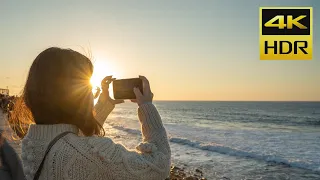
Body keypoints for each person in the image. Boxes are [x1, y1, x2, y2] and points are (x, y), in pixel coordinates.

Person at [10, 47, 171, 180]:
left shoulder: (32, 143)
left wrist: (104, 103)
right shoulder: (93, 154)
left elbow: (71, 138)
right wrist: (147, 107)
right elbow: (159, 167)